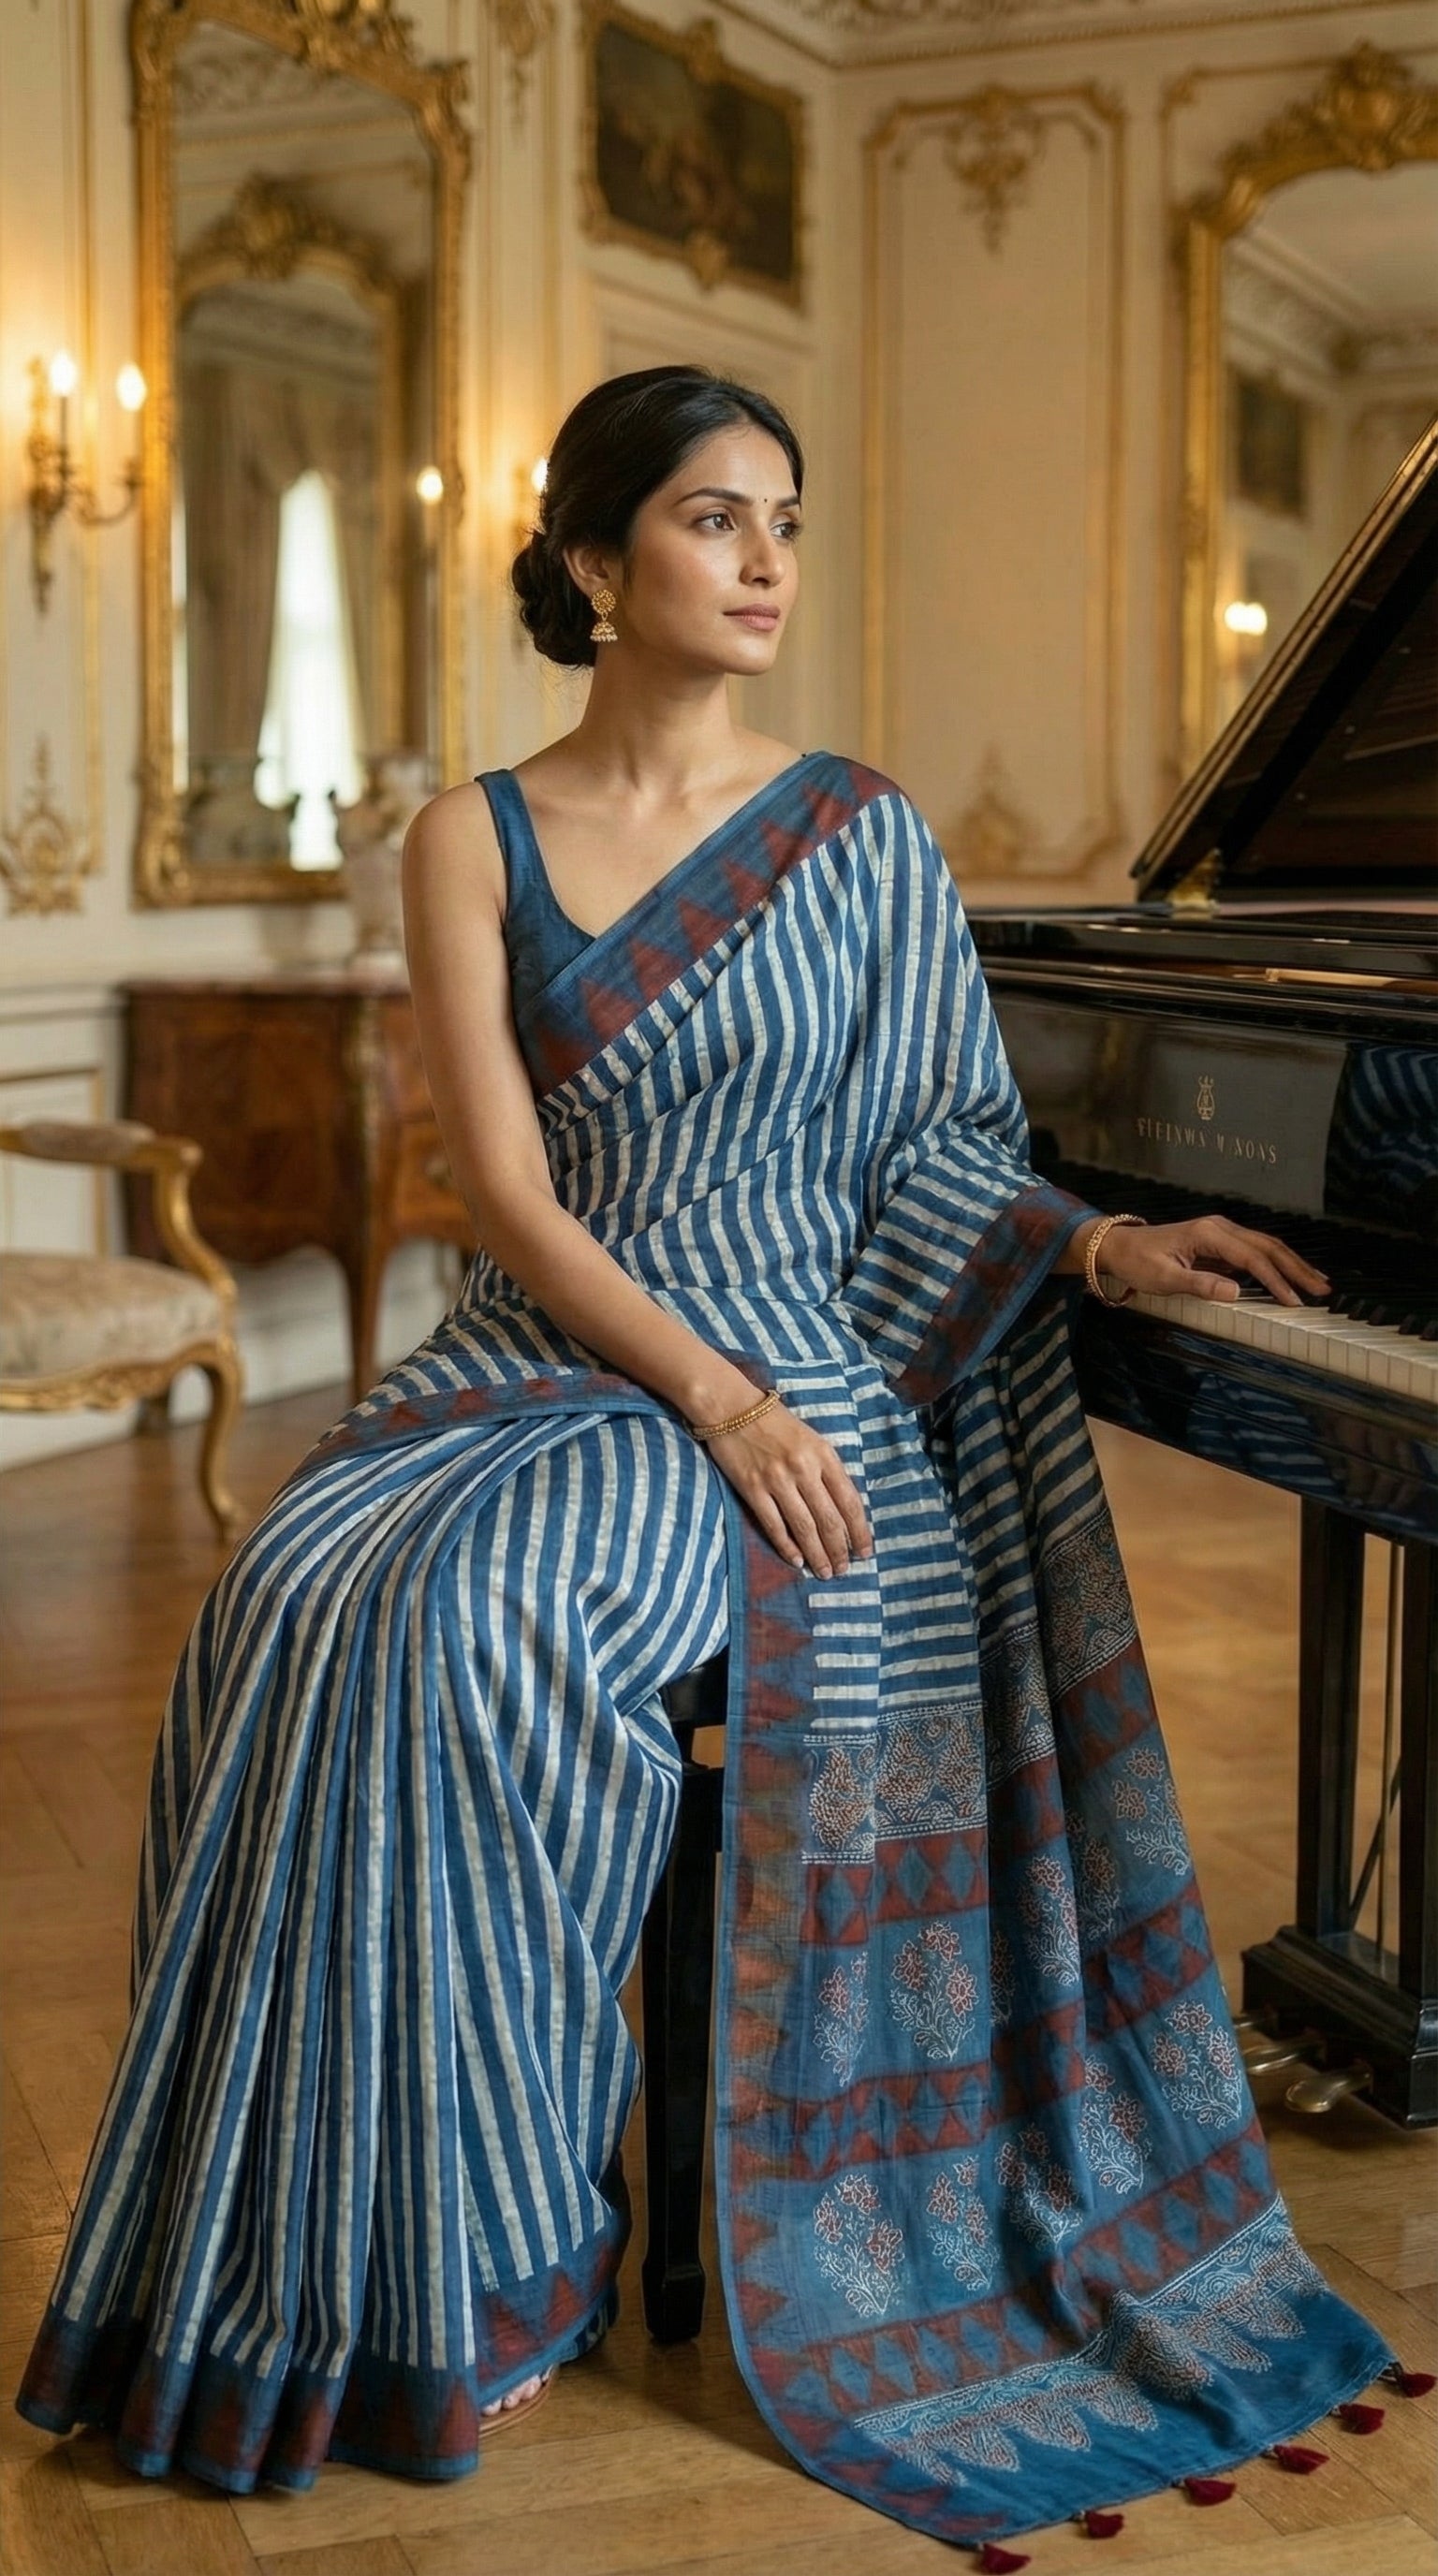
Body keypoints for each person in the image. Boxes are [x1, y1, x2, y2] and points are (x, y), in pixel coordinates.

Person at [17, 367, 1400, 2557]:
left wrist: (1101, 1239)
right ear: (590, 563)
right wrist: (702, 1392)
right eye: (708, 519)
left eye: (782, 521)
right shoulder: (467, 832)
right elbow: (506, 1197)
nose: (764, 562)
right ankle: (379, 2266)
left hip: (807, 1382)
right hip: (553, 1359)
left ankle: (497, 2237)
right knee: (301, 1592)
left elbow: (945, 1149)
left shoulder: (857, 830)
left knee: (476, 1623)